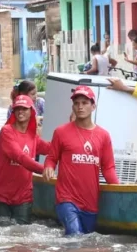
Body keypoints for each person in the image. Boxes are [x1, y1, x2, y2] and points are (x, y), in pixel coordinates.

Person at [43, 85, 119, 235]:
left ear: (93, 106)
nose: (80, 107)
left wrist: (119, 190)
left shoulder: (103, 135)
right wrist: (49, 167)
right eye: (77, 103)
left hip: (90, 202)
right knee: (75, 235)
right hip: (66, 199)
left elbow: (108, 168)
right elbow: (51, 158)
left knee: (85, 243)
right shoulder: (61, 132)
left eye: (84, 103)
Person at [0, 95, 51, 223]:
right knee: (2, 237)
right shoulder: (6, 131)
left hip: (24, 198)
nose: (20, 111)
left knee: (21, 236)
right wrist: (45, 170)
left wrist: (70, 131)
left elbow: (51, 148)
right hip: (2, 196)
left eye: (24, 109)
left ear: (32, 111)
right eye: (17, 108)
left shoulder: (32, 137)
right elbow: (20, 157)